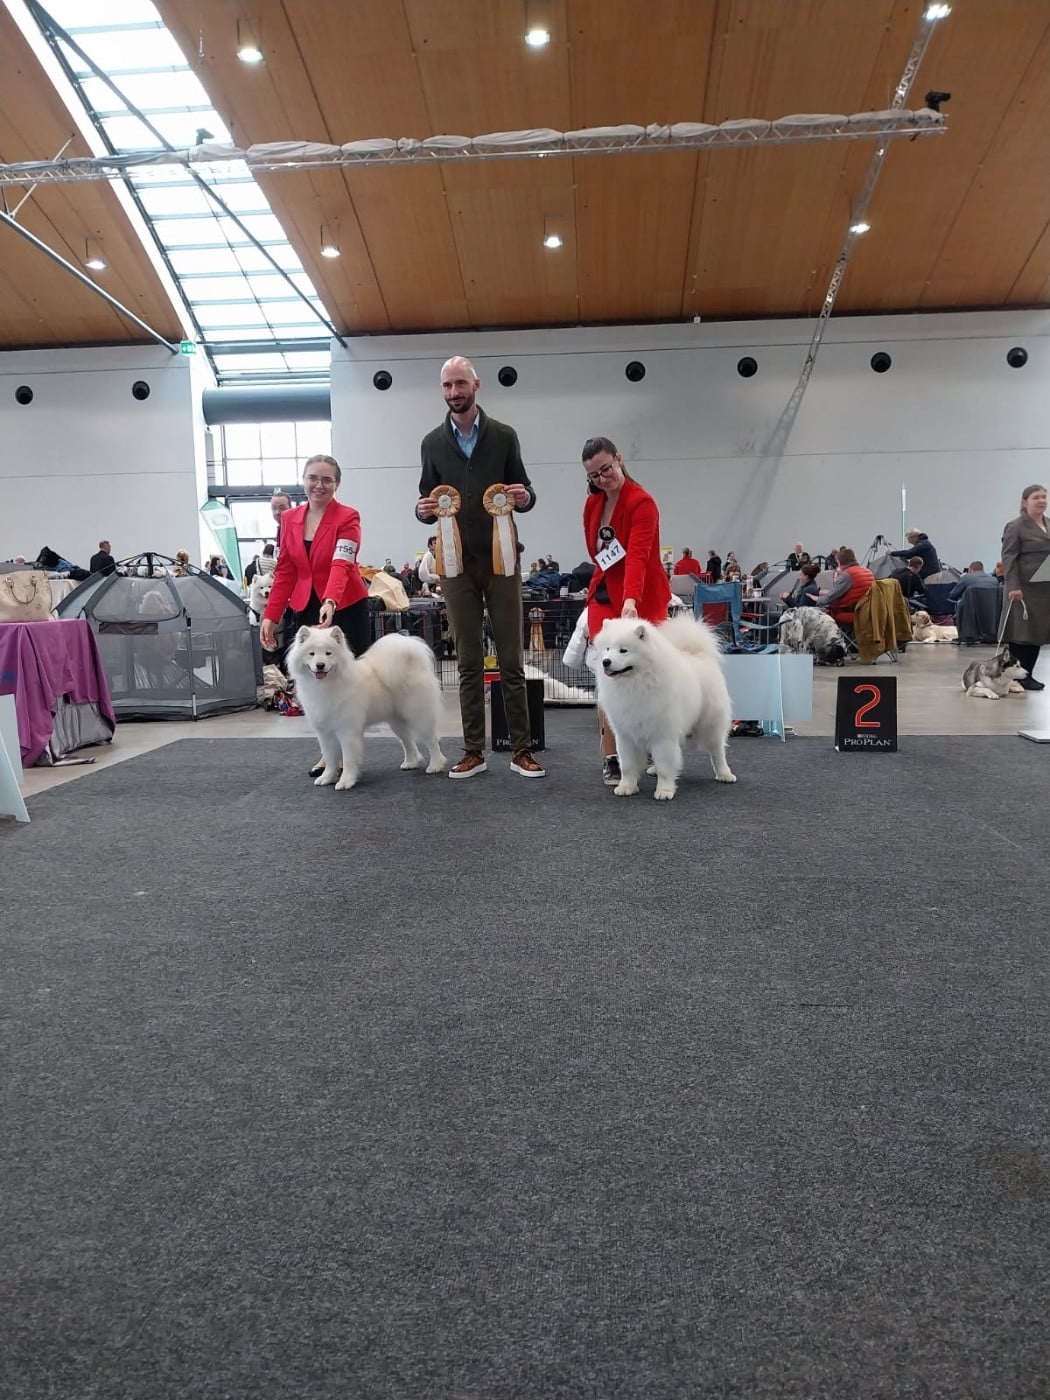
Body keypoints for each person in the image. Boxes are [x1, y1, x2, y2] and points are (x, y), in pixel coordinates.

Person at [416, 355, 543, 780]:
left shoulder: (504, 436)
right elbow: (427, 499)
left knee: (511, 659)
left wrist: (525, 498)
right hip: (454, 567)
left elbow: (525, 490)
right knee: (468, 662)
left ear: (476, 385)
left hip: (502, 562)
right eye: (447, 386)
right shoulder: (432, 443)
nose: (454, 392)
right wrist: (421, 511)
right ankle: (473, 750)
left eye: (460, 384)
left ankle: (521, 749)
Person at [582, 435, 671, 785]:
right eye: (594, 475)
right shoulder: (592, 505)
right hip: (604, 597)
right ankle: (613, 757)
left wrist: (631, 600)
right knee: (607, 677)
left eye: (606, 469)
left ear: (619, 459)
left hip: (642, 599)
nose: (603, 479)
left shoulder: (642, 502)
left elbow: (638, 556)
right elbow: (596, 554)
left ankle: (653, 748)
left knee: (649, 678)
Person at [261, 453, 370, 676]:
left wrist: (330, 601)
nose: (319, 485)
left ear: (337, 484)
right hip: (305, 607)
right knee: (310, 677)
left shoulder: (348, 517)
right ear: (303, 480)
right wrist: (271, 615)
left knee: (353, 677)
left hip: (345, 605)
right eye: (313, 478)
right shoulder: (288, 519)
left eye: (327, 480)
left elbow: (342, 563)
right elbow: (285, 572)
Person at [1001, 483, 1050, 691]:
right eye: (1036, 497)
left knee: (1037, 632)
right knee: (1021, 633)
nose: (1041, 501)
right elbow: (1009, 557)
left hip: (1044, 588)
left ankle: (1027, 674)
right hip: (1022, 588)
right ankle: (1016, 676)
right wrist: (1013, 585)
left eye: (1044, 497)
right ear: (1024, 502)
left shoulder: (1048, 523)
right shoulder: (1016, 526)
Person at [815, 546, 874, 623]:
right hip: (866, 612)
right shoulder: (867, 571)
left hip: (848, 613)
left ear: (839, 562)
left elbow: (828, 599)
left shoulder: (846, 575)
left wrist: (814, 599)